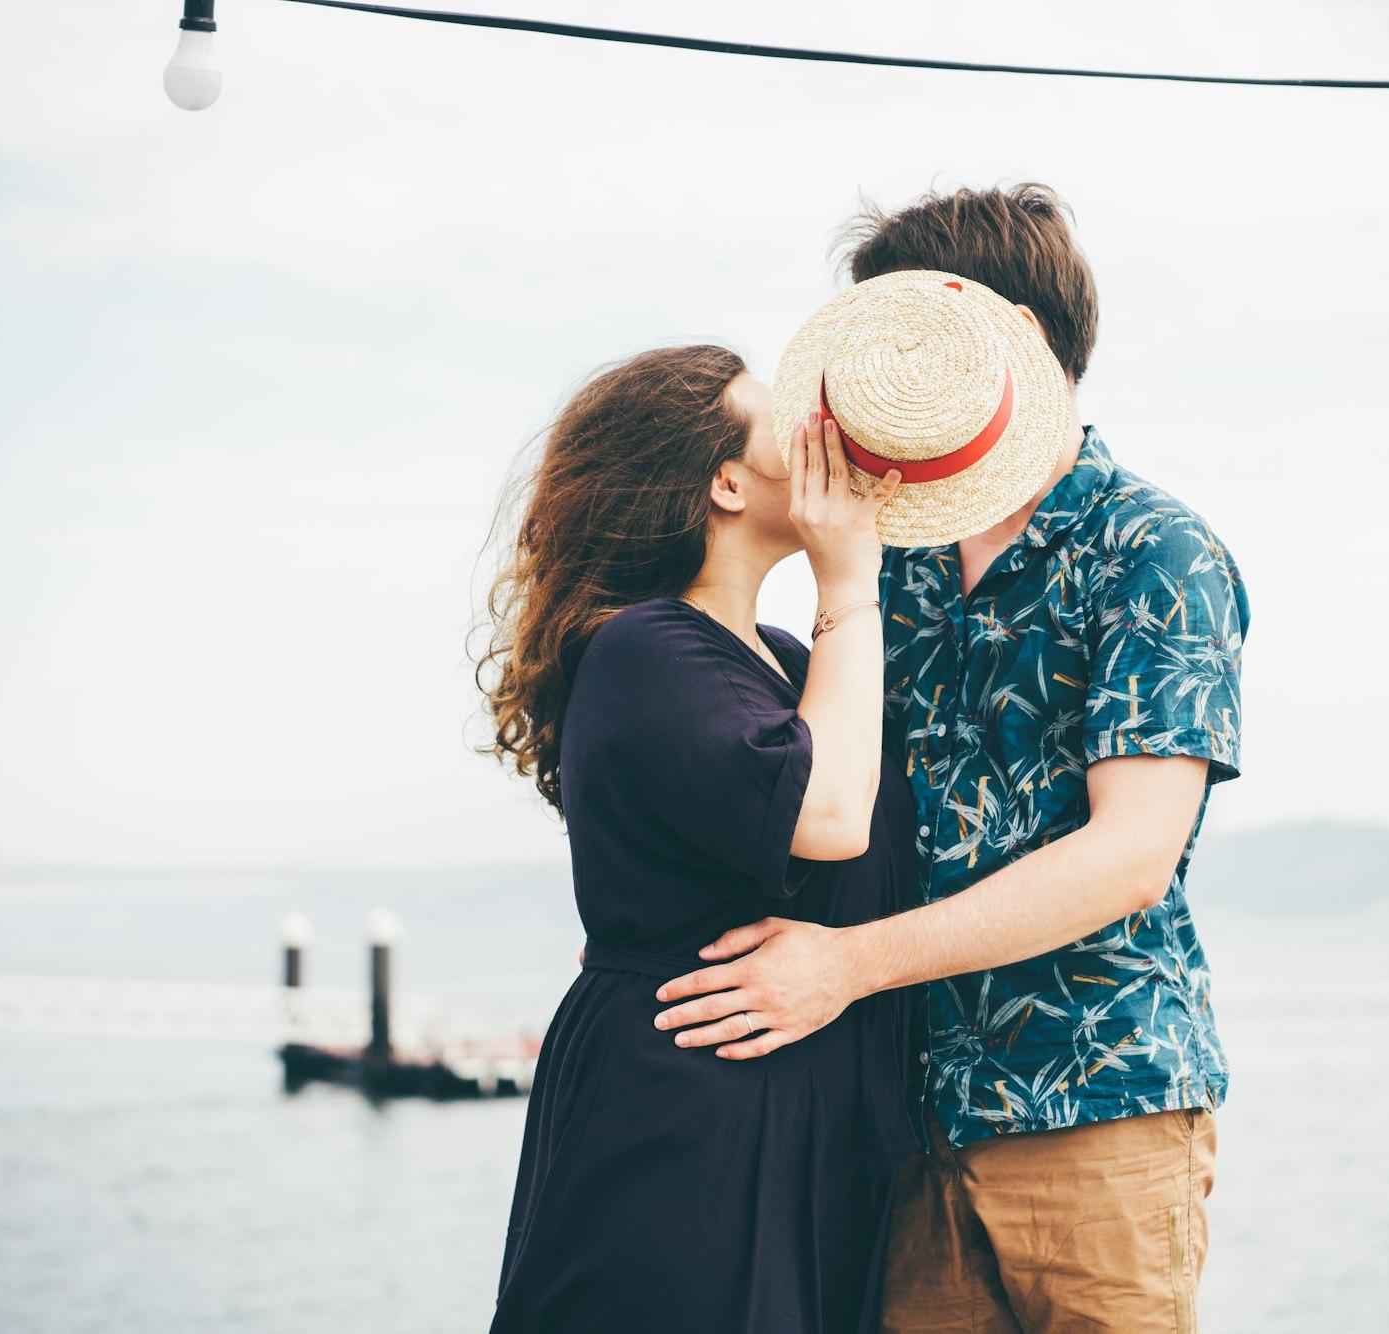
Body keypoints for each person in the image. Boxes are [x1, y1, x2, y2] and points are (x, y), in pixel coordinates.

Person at [654, 185, 1251, 1331]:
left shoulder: (1151, 549)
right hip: (904, 1120)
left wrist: (842, 965)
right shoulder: (892, 564)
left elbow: (1127, 856)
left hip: (1100, 1107)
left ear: (1011, 339)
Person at [476, 344, 914, 1332]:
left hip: (799, 1102)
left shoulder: (789, 662)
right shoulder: (641, 647)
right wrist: (850, 580)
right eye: (778, 422)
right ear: (723, 480)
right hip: (689, 1098)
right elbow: (833, 818)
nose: (813, 441)